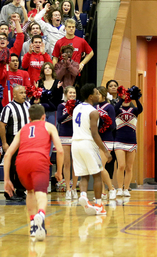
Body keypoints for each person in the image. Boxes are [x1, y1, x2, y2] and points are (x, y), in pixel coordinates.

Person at [3, 104, 64, 240]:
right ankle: (41, 215)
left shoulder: (22, 129)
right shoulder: (49, 126)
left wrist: (7, 180)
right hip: (39, 160)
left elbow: (7, 155)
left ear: (29, 118)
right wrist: (59, 172)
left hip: (21, 162)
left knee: (30, 192)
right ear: (44, 117)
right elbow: (60, 150)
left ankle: (33, 225)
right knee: (41, 193)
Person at [72, 84, 112, 216]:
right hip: (87, 144)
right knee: (97, 175)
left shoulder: (76, 108)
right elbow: (94, 134)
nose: (98, 95)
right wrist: (105, 150)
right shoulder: (93, 111)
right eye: (96, 93)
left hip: (75, 144)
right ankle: (99, 205)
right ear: (90, 96)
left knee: (84, 174)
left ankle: (83, 195)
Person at [0, 85, 31, 201]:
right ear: (15, 95)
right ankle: (9, 192)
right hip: (13, 139)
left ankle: (21, 190)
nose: (24, 95)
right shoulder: (8, 107)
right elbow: (2, 125)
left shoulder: (28, 105)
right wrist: (4, 143)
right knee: (13, 167)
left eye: (24, 92)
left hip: (26, 140)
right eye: (21, 93)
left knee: (23, 166)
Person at [114, 87, 143, 197]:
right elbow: (114, 108)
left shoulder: (134, 110)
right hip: (119, 140)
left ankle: (126, 188)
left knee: (129, 167)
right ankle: (119, 188)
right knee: (121, 166)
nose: (126, 98)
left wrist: (136, 99)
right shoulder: (118, 110)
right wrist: (121, 99)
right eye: (125, 96)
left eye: (128, 96)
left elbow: (140, 109)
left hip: (131, 141)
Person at [56, 86, 78, 200]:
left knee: (76, 163)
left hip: (76, 135)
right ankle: (68, 189)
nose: (72, 94)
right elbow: (59, 120)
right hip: (64, 135)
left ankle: (74, 188)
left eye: (74, 93)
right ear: (66, 94)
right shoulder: (61, 106)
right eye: (70, 93)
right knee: (67, 163)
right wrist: (69, 111)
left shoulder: (79, 105)